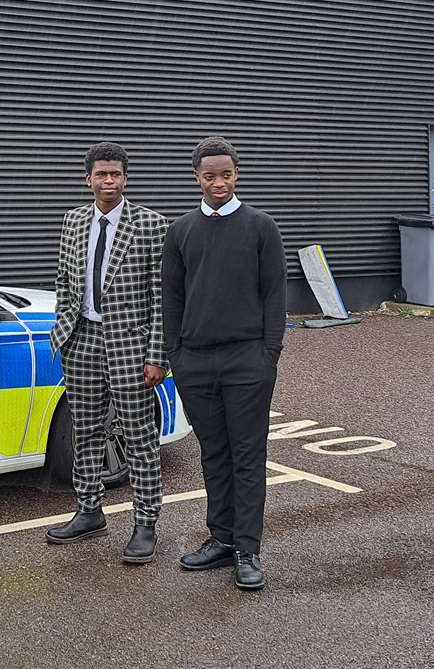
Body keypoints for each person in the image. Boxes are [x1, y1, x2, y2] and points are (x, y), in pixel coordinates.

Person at [162, 136, 286, 591]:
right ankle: (221, 538)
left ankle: (248, 550)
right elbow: (172, 297)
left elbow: (275, 294)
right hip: (194, 362)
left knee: (248, 456)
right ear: (196, 177)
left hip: (247, 360)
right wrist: (176, 353)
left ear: (237, 175)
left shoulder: (261, 226)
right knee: (214, 456)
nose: (219, 182)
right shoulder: (181, 231)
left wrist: (269, 354)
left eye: (226, 174)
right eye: (209, 175)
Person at [45, 142, 170, 564]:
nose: (109, 181)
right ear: (88, 179)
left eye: (115, 174)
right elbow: (64, 279)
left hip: (131, 346)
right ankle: (89, 511)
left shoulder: (152, 225)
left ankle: (145, 523)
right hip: (81, 340)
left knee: (139, 437)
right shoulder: (73, 221)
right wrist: (63, 330)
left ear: (126, 178)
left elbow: (162, 296)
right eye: (101, 174)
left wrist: (157, 354)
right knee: (86, 432)